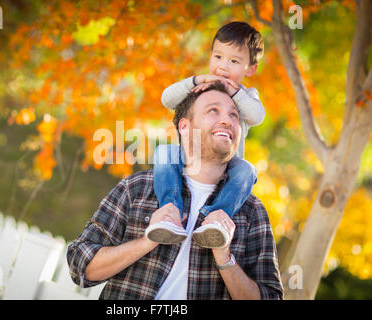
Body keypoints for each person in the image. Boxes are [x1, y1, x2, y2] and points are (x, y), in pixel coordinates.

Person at [67, 82, 283, 300]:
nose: (227, 120)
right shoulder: (137, 188)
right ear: (184, 127)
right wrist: (148, 241)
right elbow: (80, 265)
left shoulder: (251, 212)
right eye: (213, 110)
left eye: (234, 115)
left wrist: (224, 256)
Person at [146, 21, 265, 247]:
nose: (223, 66)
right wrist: (197, 80)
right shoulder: (201, 86)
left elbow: (257, 115)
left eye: (234, 61)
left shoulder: (246, 96)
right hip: (189, 157)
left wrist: (233, 91)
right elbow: (167, 99)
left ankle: (216, 218)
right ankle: (171, 209)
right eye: (218, 57)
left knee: (247, 170)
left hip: (226, 165)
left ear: (250, 69)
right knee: (164, 152)